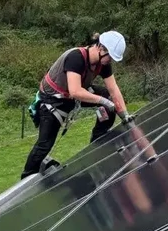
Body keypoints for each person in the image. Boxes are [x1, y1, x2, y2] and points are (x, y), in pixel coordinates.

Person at [21, 31, 132, 178]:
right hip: (52, 101)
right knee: (45, 144)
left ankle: (98, 141)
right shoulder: (76, 58)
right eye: (110, 57)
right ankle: (27, 177)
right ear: (101, 47)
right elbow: (75, 91)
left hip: (72, 96)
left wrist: (124, 114)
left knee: (108, 98)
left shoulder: (103, 63)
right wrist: (103, 101)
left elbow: (113, 89)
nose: (110, 61)